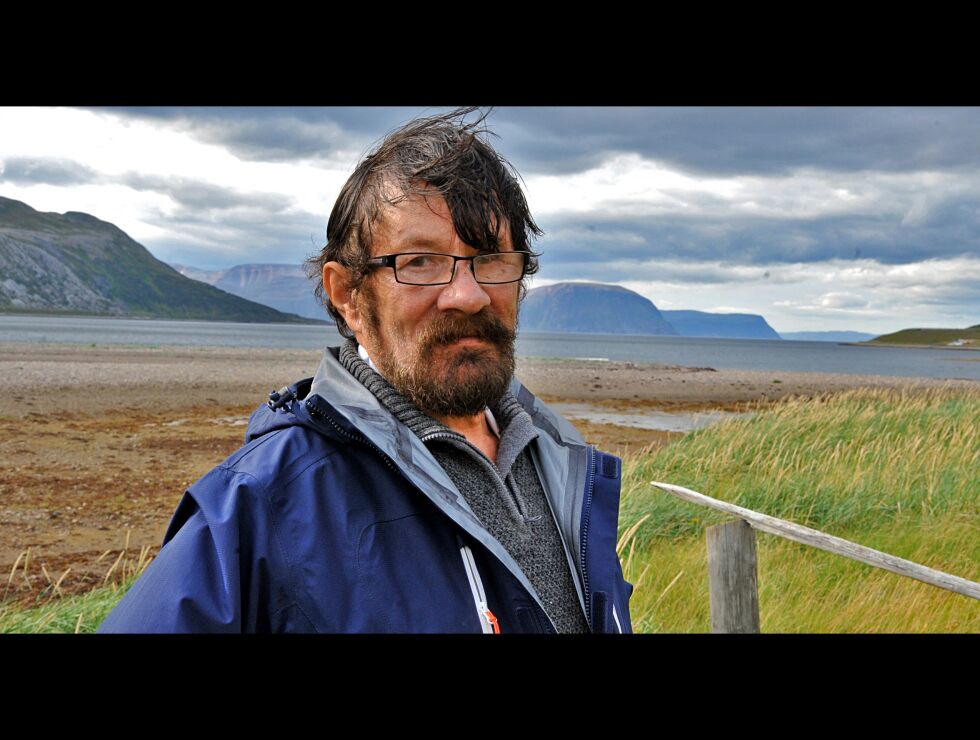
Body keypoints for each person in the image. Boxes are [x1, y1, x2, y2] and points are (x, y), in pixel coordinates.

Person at [98, 108, 634, 633]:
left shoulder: (563, 456)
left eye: (491, 258)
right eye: (420, 262)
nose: (468, 295)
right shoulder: (263, 505)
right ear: (348, 296)